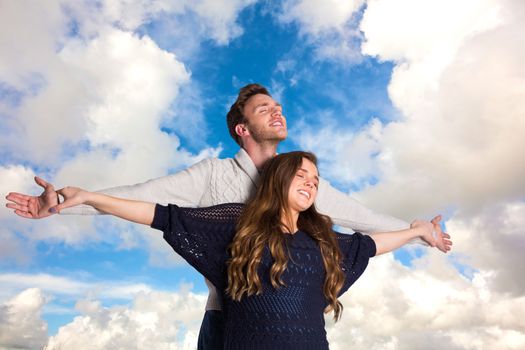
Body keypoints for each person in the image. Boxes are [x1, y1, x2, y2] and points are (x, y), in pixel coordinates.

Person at [5, 84, 452, 349]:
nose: (277, 111)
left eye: (278, 106)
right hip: (227, 321)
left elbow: (368, 223)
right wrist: (65, 203)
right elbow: (143, 201)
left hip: (294, 324)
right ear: (242, 128)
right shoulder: (213, 175)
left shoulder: (306, 182)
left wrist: (420, 233)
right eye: (264, 108)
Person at [48, 151, 440, 349]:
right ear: (278, 179)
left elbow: (371, 244)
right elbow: (161, 215)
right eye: (301, 174)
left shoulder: (322, 240)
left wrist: (415, 231)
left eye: (316, 180)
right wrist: (91, 198)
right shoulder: (240, 226)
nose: (311, 183)